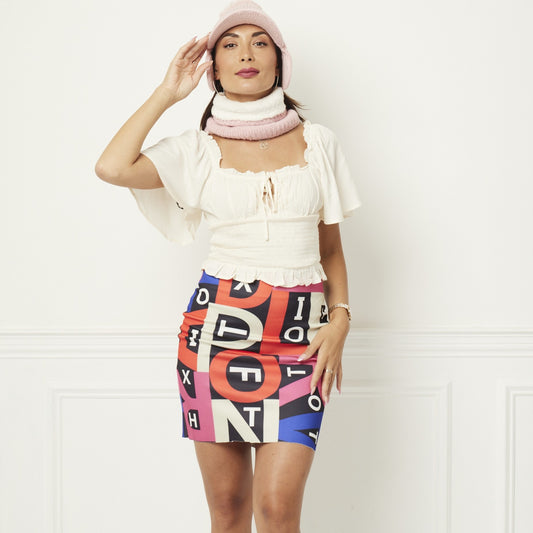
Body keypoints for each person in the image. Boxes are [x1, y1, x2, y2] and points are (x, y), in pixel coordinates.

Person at [95, 1, 361, 531]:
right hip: (215, 336)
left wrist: (341, 320)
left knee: (278, 510)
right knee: (229, 510)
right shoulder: (196, 149)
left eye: (260, 42)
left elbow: (330, 249)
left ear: (279, 60)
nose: (246, 54)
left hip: (299, 341)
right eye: (230, 44)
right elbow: (112, 166)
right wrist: (167, 93)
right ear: (212, 65)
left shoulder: (319, 142)